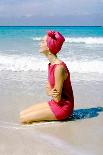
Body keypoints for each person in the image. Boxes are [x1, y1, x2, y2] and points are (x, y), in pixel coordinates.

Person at [20, 30, 74, 124]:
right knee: (22, 114)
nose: (40, 44)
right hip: (54, 103)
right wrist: (51, 92)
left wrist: (51, 92)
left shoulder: (58, 68)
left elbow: (57, 97)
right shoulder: (51, 65)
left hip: (63, 108)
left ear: (49, 47)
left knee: (24, 119)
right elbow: (48, 90)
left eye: (43, 42)